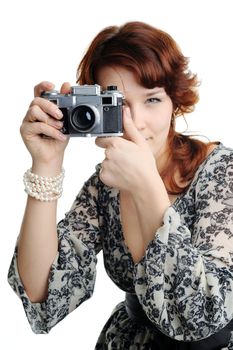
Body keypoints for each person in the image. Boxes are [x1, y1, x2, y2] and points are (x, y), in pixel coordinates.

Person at [8, 21, 233, 349]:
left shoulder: (222, 172)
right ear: (94, 108)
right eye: (118, 103)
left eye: (152, 100)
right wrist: (46, 164)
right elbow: (45, 295)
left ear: (175, 102)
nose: (136, 122)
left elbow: (200, 315)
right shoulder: (104, 184)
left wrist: (147, 187)